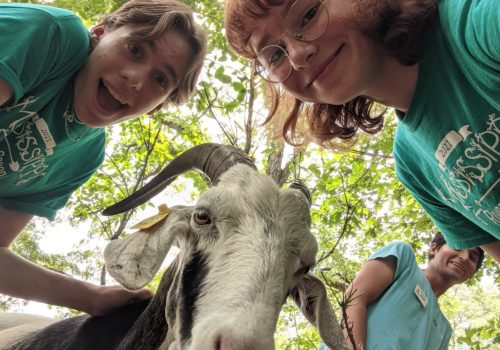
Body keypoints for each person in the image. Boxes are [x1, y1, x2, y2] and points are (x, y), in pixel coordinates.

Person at [223, 0, 500, 262]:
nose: (296, 55)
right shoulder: (412, 164)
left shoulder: (476, 29)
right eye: (274, 54)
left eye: (308, 15)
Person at [0, 0, 206, 316]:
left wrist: (89, 298)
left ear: (156, 106)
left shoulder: (83, 157)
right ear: (99, 33)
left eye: (160, 79)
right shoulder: (53, 35)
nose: (135, 78)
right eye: (135, 49)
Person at [320, 232, 484, 350]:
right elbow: (354, 298)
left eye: (473, 257)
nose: (464, 257)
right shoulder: (403, 258)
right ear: (434, 248)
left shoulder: (444, 330)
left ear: (470, 275)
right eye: (458, 246)